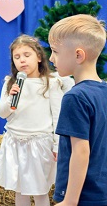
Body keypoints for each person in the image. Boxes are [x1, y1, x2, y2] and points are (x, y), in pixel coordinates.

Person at [0, 35, 64, 206]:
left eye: (27, 55)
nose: (22, 60)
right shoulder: (10, 83)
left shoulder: (51, 83)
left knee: (40, 190)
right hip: (15, 143)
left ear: (39, 57)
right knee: (20, 190)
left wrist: (57, 145)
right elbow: (2, 113)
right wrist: (10, 99)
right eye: (17, 57)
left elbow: (58, 117)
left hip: (39, 145)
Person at [48, 14, 107, 206]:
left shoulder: (75, 97)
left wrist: (69, 200)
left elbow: (81, 151)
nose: (50, 58)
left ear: (78, 55)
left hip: (83, 197)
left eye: (55, 51)